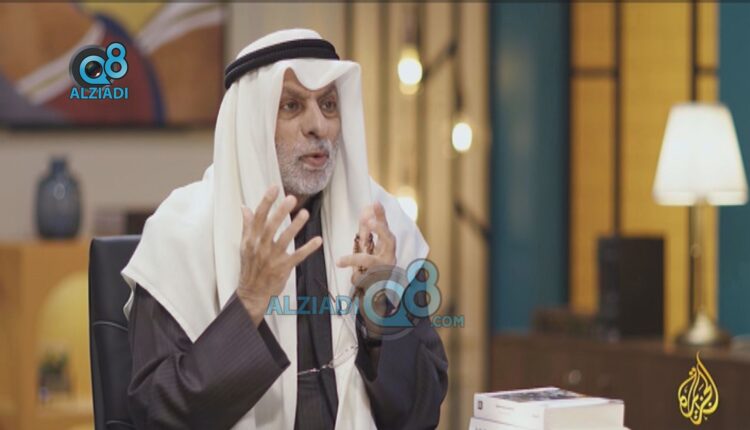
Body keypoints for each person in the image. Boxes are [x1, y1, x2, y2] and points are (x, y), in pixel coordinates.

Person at [121, 28, 448, 430]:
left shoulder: (380, 224)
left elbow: (421, 413)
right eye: (292, 106)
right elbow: (157, 412)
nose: (318, 126)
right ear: (253, 124)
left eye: (328, 105)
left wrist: (383, 307)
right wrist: (249, 301)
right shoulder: (182, 232)